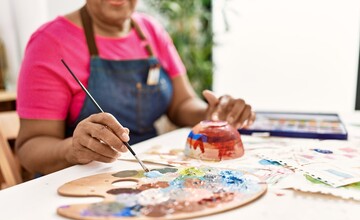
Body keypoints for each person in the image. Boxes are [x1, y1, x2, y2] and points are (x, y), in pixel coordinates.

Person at [15, 0, 255, 175]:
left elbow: (181, 104)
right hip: (79, 181)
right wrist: (73, 150)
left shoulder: (151, 30)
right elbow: (29, 148)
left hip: (148, 173)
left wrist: (211, 114)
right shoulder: (49, 43)